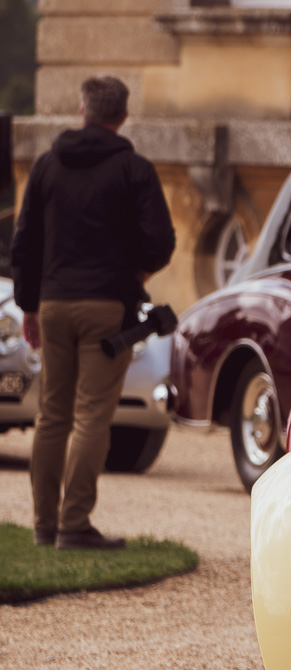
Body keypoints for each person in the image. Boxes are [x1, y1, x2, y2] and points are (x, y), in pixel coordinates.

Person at [12, 74, 176, 550]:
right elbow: (161, 242)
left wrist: (28, 306)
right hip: (107, 308)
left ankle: (44, 526)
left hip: (54, 302)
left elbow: (24, 244)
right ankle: (74, 524)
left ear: (82, 111)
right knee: (90, 418)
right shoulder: (135, 169)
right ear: (123, 117)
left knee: (51, 416)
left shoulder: (46, 166)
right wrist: (133, 279)